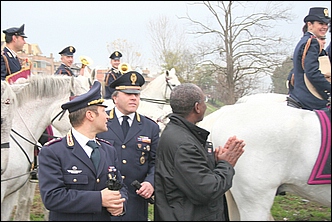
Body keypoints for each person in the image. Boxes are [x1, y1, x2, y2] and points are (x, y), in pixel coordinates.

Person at [154, 83, 246, 221]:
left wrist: (214, 162)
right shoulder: (183, 143)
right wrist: (226, 165)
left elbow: (189, 176)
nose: (205, 105)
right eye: (204, 101)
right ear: (197, 107)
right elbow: (207, 191)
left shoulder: (180, 133)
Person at [38, 81, 128, 221]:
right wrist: (99, 199)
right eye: (104, 111)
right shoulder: (53, 152)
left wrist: (120, 204)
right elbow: (52, 197)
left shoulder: (108, 150)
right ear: (90, 115)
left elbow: (120, 187)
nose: (108, 116)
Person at [97, 71, 160, 221]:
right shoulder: (100, 121)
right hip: (106, 200)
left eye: (136, 95)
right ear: (114, 98)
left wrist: (150, 182)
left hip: (136, 201)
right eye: (127, 94)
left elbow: (156, 162)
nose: (133, 98)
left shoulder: (150, 127)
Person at [287, 7, 331, 111]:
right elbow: (312, 72)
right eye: (321, 23)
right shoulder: (313, 42)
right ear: (309, 24)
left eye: (326, 24)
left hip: (298, 94)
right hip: (310, 99)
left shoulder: (304, 40)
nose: (324, 27)